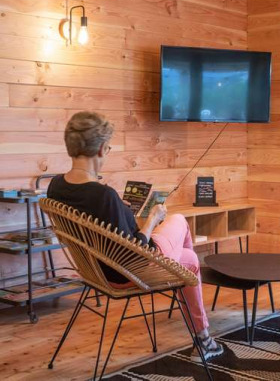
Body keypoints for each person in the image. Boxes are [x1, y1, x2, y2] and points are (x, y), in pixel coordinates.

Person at [47, 111, 224, 361]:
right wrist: (152, 219)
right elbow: (134, 254)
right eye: (109, 148)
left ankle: (201, 330)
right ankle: (202, 336)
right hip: (131, 271)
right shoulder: (103, 195)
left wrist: (120, 211)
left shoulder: (56, 186)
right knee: (180, 224)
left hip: (95, 270)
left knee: (189, 260)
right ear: (101, 149)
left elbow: (97, 217)